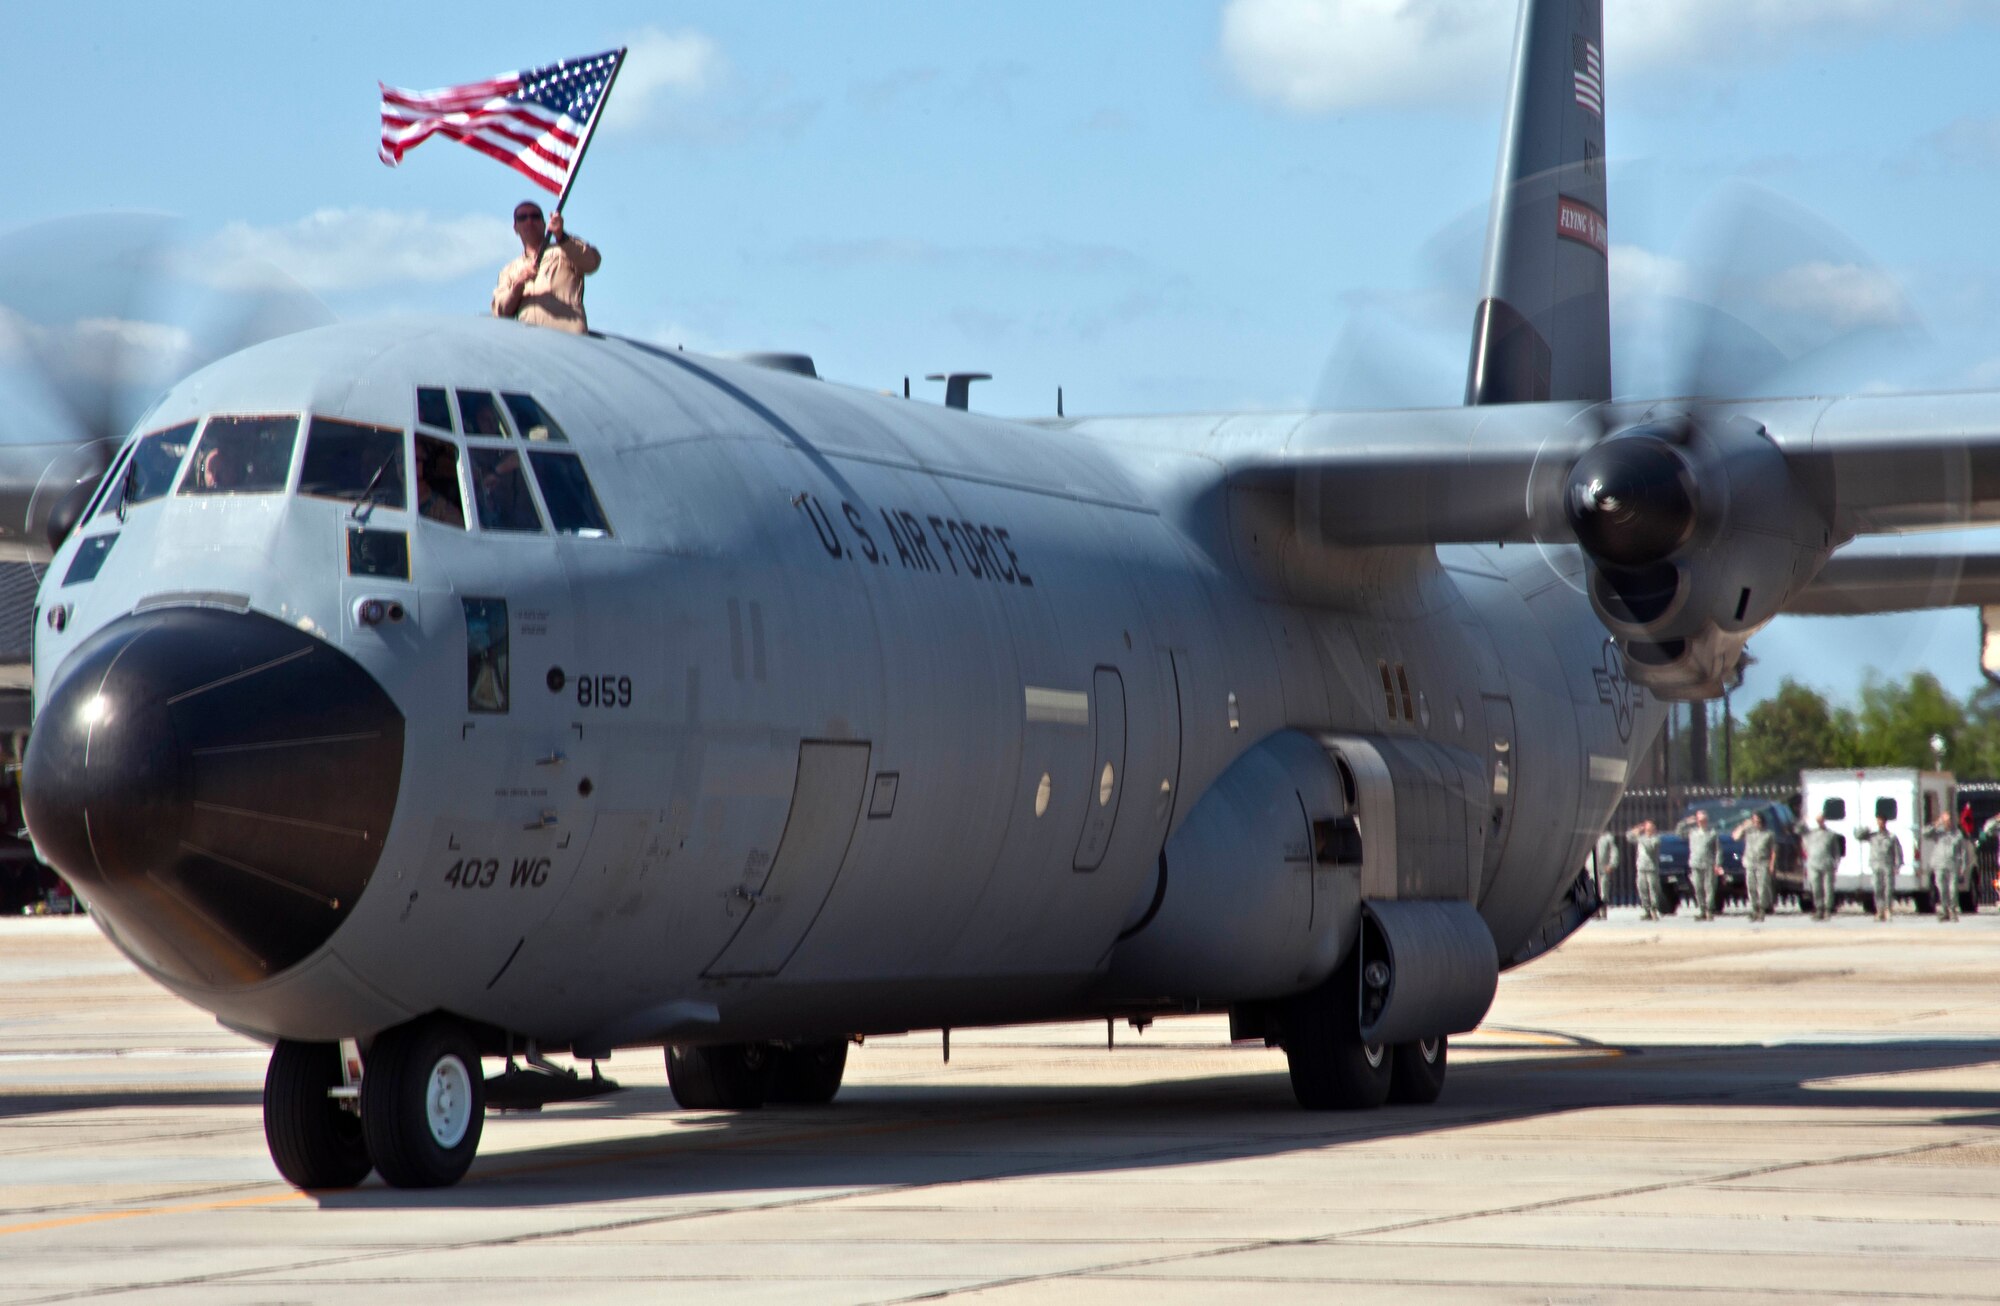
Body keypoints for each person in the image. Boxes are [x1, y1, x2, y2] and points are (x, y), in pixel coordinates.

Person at [492, 200, 601, 334]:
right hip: (532, 343)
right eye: (522, 218)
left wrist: (561, 236)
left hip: (570, 339)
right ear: (515, 227)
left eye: (535, 216)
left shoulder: (564, 250)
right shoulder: (510, 270)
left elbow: (591, 263)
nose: (529, 221)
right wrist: (519, 284)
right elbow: (501, 311)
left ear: (544, 224)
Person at [1853, 814, 1903, 921]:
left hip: (1888, 865)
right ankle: (1879, 911)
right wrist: (1867, 828)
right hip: (1876, 866)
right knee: (1877, 889)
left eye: (1882, 821)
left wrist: (1898, 865)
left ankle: (1888, 910)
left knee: (1888, 890)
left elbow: (1898, 852)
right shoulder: (1872, 836)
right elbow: (1858, 836)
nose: (1880, 823)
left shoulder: (1891, 836)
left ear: (1885, 822)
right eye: (1878, 821)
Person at [1797, 810, 1843, 920]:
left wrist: (1835, 863)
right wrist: (1802, 820)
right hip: (1813, 864)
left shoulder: (1831, 835)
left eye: (1821, 819)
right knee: (1816, 888)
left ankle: (1827, 909)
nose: (1820, 822)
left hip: (1827, 864)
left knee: (1828, 888)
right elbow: (1798, 831)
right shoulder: (1810, 834)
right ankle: (1819, 909)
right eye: (1818, 820)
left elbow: (1836, 852)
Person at [1732, 811, 1777, 923]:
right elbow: (1735, 837)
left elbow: (1774, 851)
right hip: (1750, 862)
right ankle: (1754, 909)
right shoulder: (1748, 832)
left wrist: (1772, 865)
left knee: (1762, 888)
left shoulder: (1768, 834)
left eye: (1758, 821)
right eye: (1754, 821)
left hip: (1763, 862)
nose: (1756, 823)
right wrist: (1743, 825)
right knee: (1751, 887)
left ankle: (1761, 909)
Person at [1923, 813, 1969, 923]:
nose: (1947, 822)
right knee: (1942, 889)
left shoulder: (1957, 834)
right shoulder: (1938, 833)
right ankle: (1944, 911)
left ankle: (1953, 910)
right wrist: (1936, 824)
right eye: (1945, 820)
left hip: (1953, 865)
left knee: (1953, 889)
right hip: (1939, 865)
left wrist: (1963, 867)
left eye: (1948, 820)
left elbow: (1963, 852)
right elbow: (1924, 834)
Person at [1677, 809, 1721, 920]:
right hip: (1696, 863)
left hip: (1708, 863)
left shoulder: (1712, 833)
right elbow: (1678, 832)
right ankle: (1702, 910)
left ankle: (1709, 910)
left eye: (1703, 819)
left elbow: (1718, 850)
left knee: (1709, 888)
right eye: (1699, 819)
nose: (1701, 821)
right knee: (1698, 887)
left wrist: (1718, 864)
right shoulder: (1692, 832)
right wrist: (1686, 822)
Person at [1626, 819, 1664, 921]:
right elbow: (1629, 837)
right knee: (1642, 888)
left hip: (1651, 868)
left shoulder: (1655, 839)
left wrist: (1639, 837)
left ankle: (1654, 909)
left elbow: (1649, 848)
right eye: (1646, 828)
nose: (1647, 830)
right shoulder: (1641, 838)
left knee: (1653, 889)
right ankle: (1646, 909)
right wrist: (1635, 829)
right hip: (1641, 867)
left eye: (1649, 828)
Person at [1590, 827, 1620, 918]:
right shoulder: (1589, 836)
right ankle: (1595, 911)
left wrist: (1612, 864)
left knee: (1603, 890)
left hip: (1603, 868)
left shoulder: (1607, 837)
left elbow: (1614, 852)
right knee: (1592, 890)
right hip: (1590, 868)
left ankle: (1603, 910)